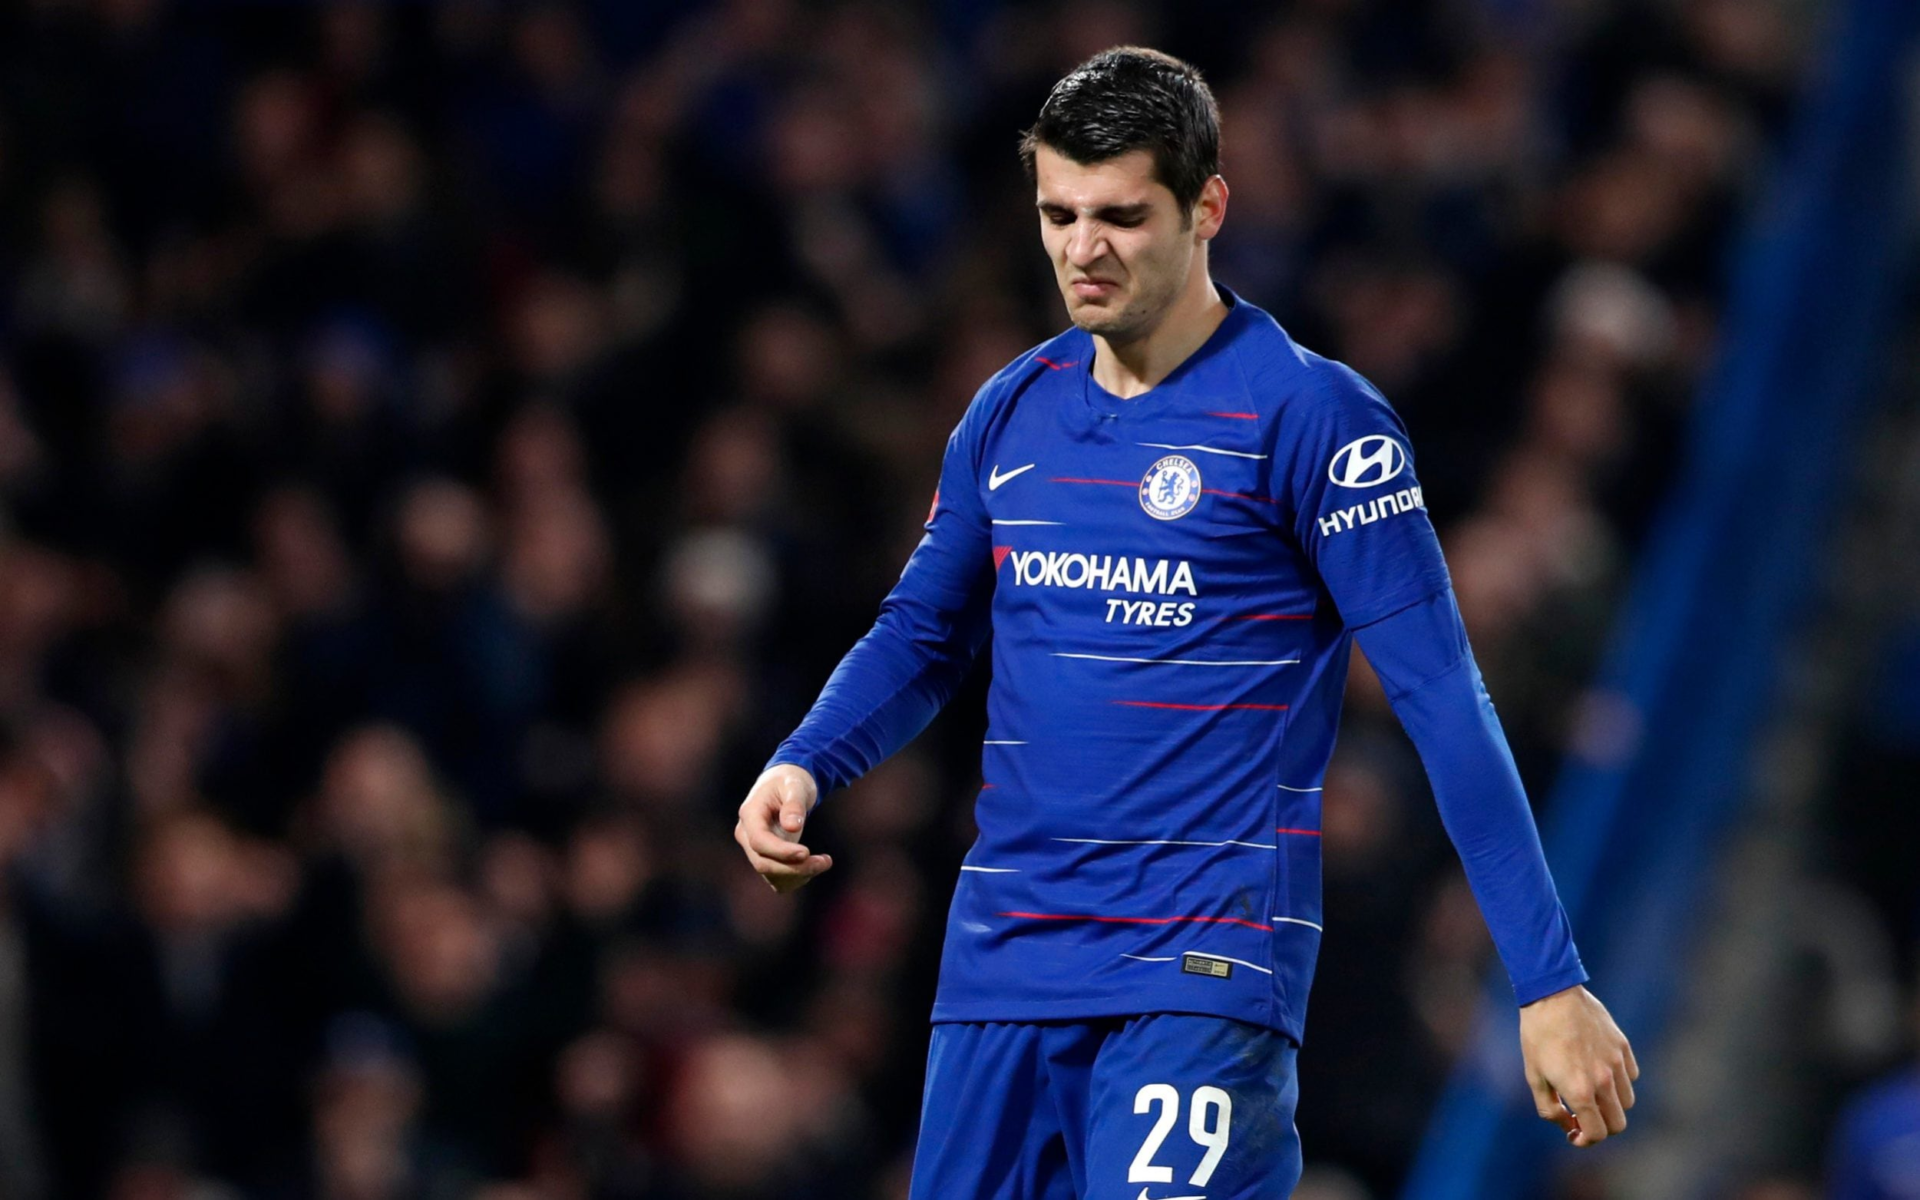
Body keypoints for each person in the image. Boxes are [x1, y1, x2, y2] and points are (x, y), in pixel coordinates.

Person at [734, 46, 1639, 1198]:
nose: (1083, 249)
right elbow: (925, 634)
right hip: (1005, 972)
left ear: (1207, 208)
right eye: (1059, 214)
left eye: (1121, 215)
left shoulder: (1315, 421)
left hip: (1199, 973)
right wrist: (808, 759)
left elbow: (1440, 694)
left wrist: (1547, 980)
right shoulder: (1011, 413)